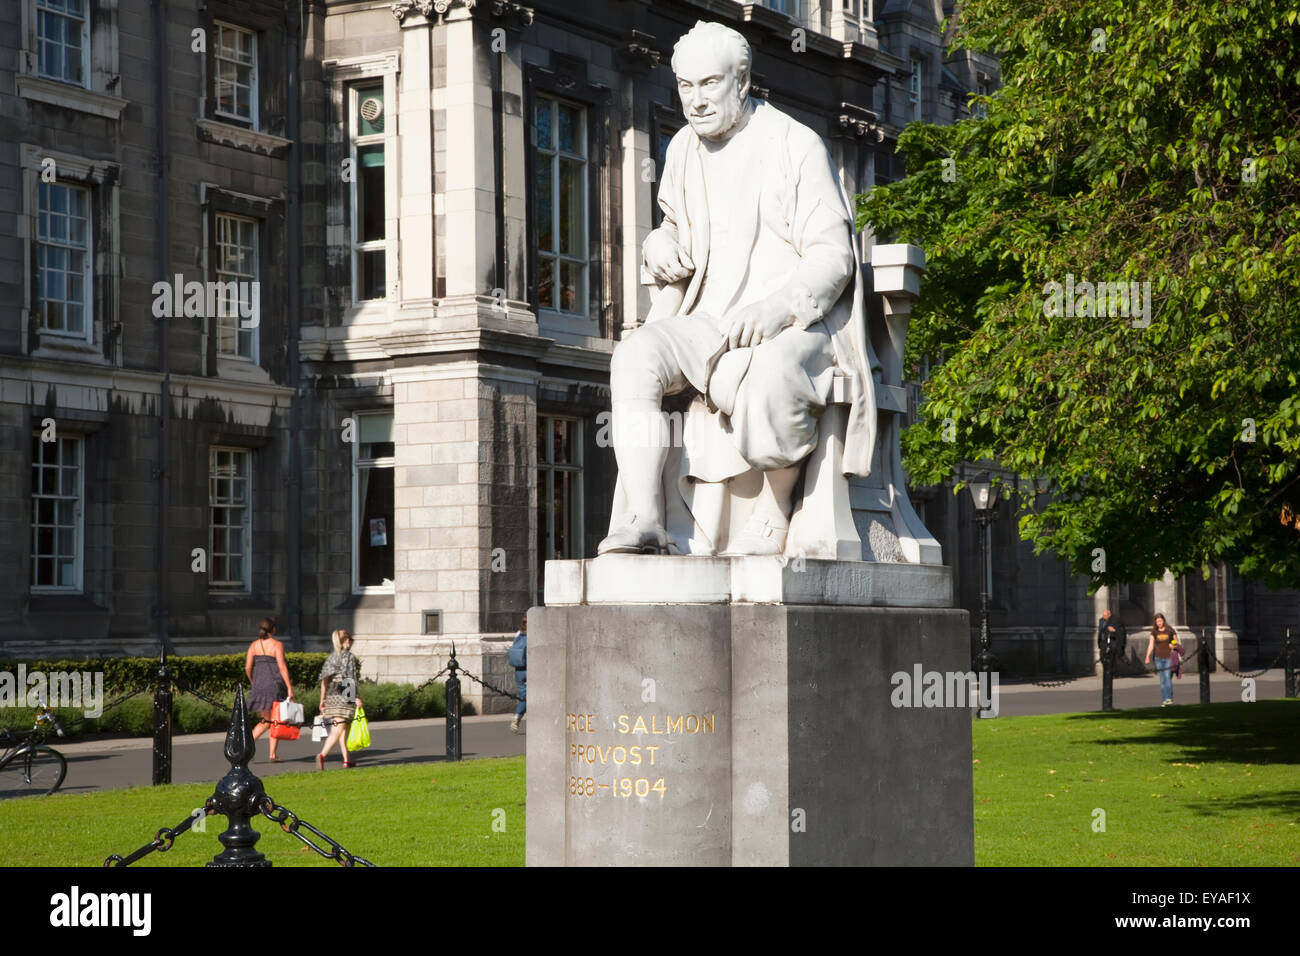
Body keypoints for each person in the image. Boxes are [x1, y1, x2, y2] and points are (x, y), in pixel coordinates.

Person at [597, 20, 876, 557]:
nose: (696, 101)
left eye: (709, 84)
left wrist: (776, 309)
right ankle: (647, 518)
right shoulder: (682, 148)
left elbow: (833, 254)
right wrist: (659, 241)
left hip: (794, 322)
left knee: (773, 373)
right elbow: (676, 225)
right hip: (705, 321)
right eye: (685, 87)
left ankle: (774, 510)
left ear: (742, 83)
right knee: (633, 356)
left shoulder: (796, 144)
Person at [245, 617, 294, 762]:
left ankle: (247, 748)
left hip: (259, 685)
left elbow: (248, 667)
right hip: (274, 686)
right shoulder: (277, 645)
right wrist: (290, 688)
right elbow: (282, 667)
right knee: (275, 720)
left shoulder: (254, 645)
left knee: (265, 721)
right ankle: (272, 754)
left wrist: (253, 681)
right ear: (273, 629)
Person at [317, 629, 363, 769]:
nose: (351, 643)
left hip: (332, 694)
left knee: (344, 728)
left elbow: (324, 680)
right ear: (345, 641)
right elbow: (351, 678)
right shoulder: (348, 657)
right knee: (338, 728)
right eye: (350, 640)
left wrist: (322, 699)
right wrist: (356, 697)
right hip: (345, 694)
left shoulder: (331, 657)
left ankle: (347, 759)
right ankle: (322, 755)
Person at [1144, 613, 1179, 706]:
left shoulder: (1169, 630)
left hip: (1168, 657)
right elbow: (1151, 644)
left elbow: (1176, 640)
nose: (1159, 623)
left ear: (1163, 620)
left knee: (1167, 677)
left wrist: (1173, 644)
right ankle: (1164, 700)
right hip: (1158, 658)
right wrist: (1147, 656)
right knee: (1162, 680)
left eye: (1160, 621)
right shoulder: (1154, 632)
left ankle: (1169, 699)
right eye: (1157, 622)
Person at [508, 616, 527, 734]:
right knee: (530, 697)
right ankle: (517, 716)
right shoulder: (534, 634)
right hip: (529, 668)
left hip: (518, 669)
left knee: (524, 696)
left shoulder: (518, 634)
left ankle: (517, 716)